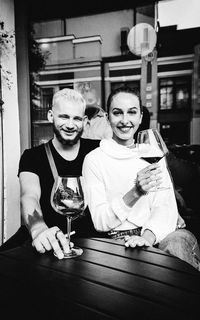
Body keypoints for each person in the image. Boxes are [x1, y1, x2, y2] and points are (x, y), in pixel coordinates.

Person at [82, 85, 200, 271]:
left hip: (159, 235)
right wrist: (136, 192)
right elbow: (100, 221)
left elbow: (164, 206)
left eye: (132, 112)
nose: (125, 120)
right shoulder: (94, 160)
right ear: (108, 118)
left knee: (177, 243)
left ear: (140, 118)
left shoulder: (151, 153)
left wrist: (146, 239)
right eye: (117, 112)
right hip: (117, 241)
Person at [0, 88, 100, 259]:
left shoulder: (98, 149)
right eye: (64, 116)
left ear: (84, 121)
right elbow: (29, 196)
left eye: (76, 118)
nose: (70, 125)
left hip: (89, 243)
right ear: (50, 116)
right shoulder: (33, 156)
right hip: (45, 239)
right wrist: (39, 229)